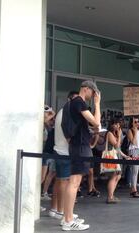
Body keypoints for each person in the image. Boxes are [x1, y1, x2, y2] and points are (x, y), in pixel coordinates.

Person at [61, 81, 101, 231]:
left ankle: (67, 216)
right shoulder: (79, 102)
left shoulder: (74, 103)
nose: (94, 95)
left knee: (74, 182)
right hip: (79, 145)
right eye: (93, 92)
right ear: (86, 89)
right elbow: (96, 122)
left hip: (77, 145)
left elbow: (94, 124)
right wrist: (97, 104)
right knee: (74, 182)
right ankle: (68, 220)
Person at [48, 91, 78, 221]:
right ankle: (63, 212)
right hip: (64, 152)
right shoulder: (67, 112)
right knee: (64, 182)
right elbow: (69, 134)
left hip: (59, 151)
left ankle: (56, 209)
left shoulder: (62, 111)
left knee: (60, 181)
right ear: (69, 100)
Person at [105, 119, 130, 204]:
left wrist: (125, 156)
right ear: (112, 125)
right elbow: (116, 145)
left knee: (118, 176)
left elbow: (118, 149)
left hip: (117, 156)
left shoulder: (115, 134)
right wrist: (119, 136)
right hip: (112, 157)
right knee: (113, 176)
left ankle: (111, 195)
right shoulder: (109, 134)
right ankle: (109, 196)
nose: (117, 126)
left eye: (118, 125)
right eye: (116, 124)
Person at [41, 105, 56, 202]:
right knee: (42, 176)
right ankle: (39, 195)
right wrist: (50, 111)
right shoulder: (47, 125)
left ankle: (44, 192)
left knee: (51, 174)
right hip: (47, 153)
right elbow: (45, 120)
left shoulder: (51, 128)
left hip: (52, 153)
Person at [127, 117, 139, 198]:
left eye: (138, 121)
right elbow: (133, 142)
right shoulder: (130, 131)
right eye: (135, 122)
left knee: (136, 171)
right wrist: (135, 131)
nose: (137, 123)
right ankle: (133, 190)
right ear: (132, 123)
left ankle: (134, 188)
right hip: (134, 150)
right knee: (134, 171)